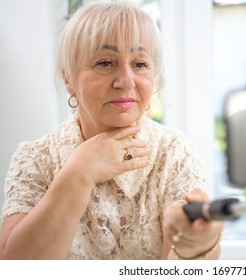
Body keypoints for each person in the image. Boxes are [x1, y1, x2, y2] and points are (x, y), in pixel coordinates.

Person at [0, 1, 223, 260]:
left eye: (140, 64)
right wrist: (79, 173)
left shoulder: (174, 154)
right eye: (105, 62)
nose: (126, 80)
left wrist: (192, 245)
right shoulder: (35, 158)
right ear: (69, 80)